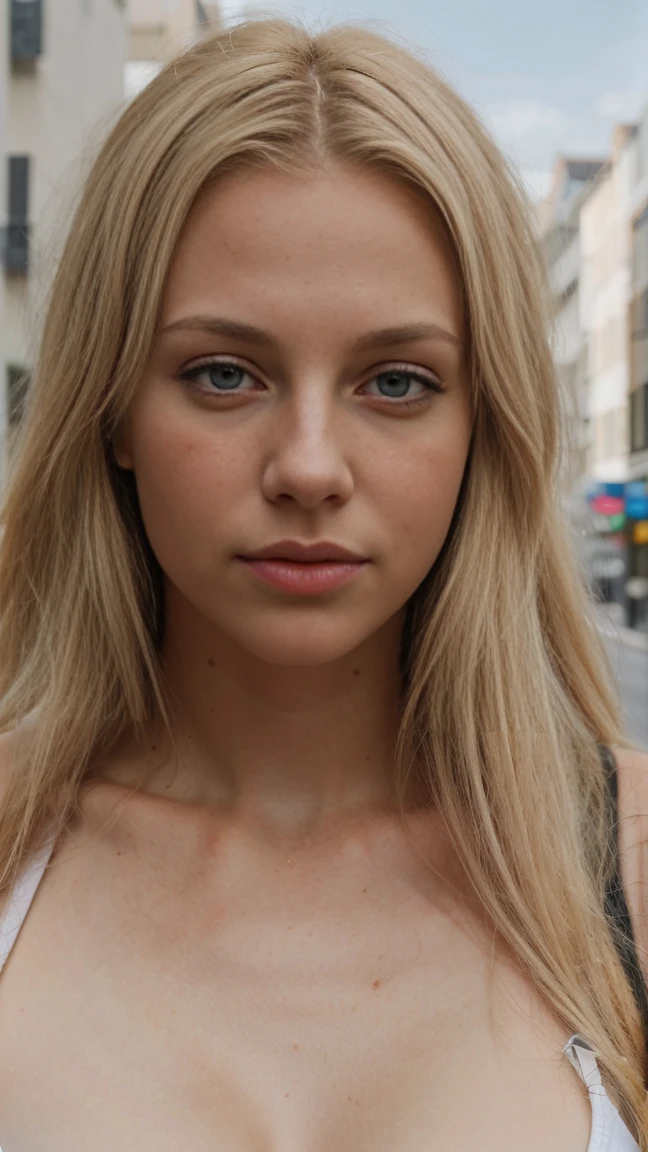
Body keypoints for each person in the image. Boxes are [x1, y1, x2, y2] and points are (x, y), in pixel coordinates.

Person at [0, 17, 645, 1151]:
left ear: (482, 422)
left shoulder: (630, 863)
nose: (308, 466)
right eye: (222, 373)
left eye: (396, 380)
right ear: (112, 411)